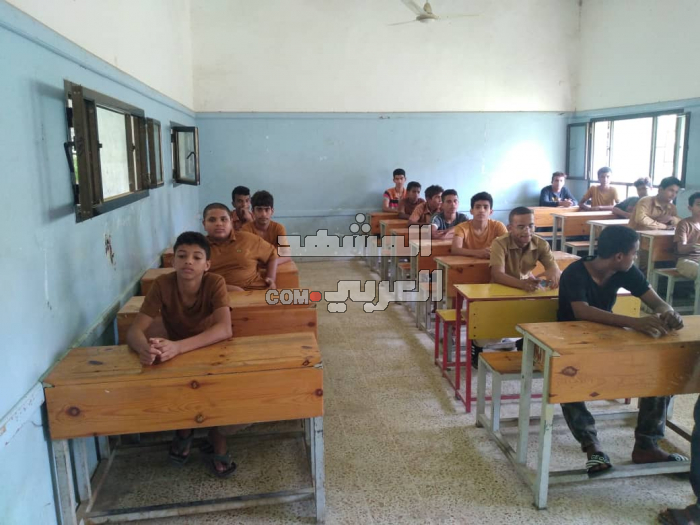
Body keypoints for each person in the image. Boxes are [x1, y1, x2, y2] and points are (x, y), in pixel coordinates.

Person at [557, 225, 686, 477]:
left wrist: (669, 312)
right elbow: (582, 311)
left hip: (608, 340)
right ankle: (592, 446)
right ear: (619, 256)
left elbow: (656, 302)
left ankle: (646, 445)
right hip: (568, 343)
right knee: (565, 378)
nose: (635, 258)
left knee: (662, 369)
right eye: (634, 253)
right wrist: (634, 322)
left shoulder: (625, 270)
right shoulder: (575, 272)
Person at [126, 231, 237, 478]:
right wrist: (144, 349)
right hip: (178, 350)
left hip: (211, 347)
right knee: (177, 386)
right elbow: (135, 331)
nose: (189, 261)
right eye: (182, 256)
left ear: (207, 265)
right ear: (173, 261)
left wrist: (178, 347)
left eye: (197, 257)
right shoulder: (162, 284)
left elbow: (224, 329)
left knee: (217, 389)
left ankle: (217, 435)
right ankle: (185, 429)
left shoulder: (215, 282)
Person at [202, 203, 278, 291]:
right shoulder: (199, 247)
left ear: (231, 222)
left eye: (223, 219)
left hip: (254, 291)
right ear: (204, 224)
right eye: (212, 220)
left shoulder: (247, 238)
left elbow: (272, 253)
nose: (219, 223)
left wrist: (271, 278)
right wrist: (228, 288)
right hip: (217, 294)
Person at [490, 206, 561, 291]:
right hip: (501, 288)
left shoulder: (541, 244)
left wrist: (554, 272)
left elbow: (553, 268)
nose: (527, 231)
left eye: (531, 226)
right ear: (510, 228)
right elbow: (497, 275)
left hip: (527, 288)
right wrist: (522, 284)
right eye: (521, 227)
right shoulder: (500, 243)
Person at [241, 190, 291, 265]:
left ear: (272, 211)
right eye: (259, 209)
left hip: (276, 265)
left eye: (267, 209)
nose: (263, 214)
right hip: (254, 267)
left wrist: (272, 263)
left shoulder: (279, 228)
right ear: (253, 211)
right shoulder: (245, 229)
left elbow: (287, 254)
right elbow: (244, 255)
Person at [451, 192, 507, 258]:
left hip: (492, 262)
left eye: (485, 207)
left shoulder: (498, 226)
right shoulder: (461, 227)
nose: (481, 210)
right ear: (471, 211)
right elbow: (455, 250)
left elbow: (508, 246)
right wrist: (478, 252)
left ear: (491, 212)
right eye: (477, 207)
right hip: (467, 263)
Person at [674, 191, 700, 280]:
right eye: (699, 204)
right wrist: (696, 244)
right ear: (690, 208)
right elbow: (681, 249)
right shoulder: (684, 224)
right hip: (686, 260)